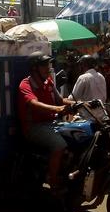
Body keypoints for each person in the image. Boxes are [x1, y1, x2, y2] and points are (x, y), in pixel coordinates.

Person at [18, 52, 74, 192]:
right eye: (44, 65)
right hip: (34, 127)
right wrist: (56, 108)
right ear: (34, 68)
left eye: (48, 64)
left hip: (51, 123)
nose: (48, 68)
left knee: (77, 134)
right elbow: (33, 103)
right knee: (59, 144)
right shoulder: (26, 84)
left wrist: (81, 103)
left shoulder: (48, 81)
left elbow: (61, 100)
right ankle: (52, 179)